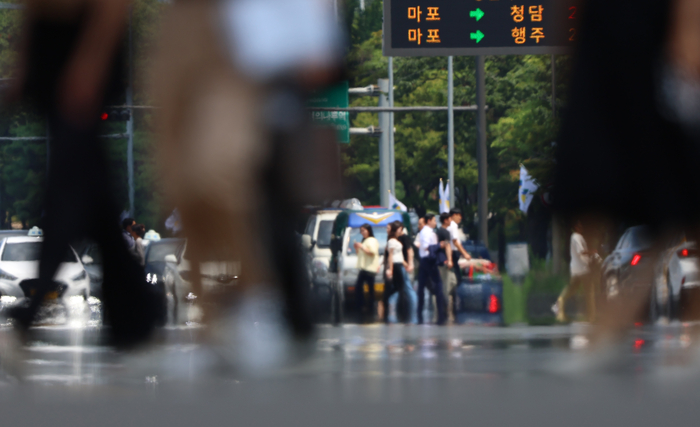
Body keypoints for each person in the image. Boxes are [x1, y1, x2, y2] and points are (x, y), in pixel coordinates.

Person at [5, 0, 163, 348]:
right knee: (95, 199)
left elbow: (112, 7)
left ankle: (29, 318)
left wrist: (91, 62)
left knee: (65, 191)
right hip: (53, 47)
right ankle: (136, 314)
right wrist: (25, 58)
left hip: (84, 43)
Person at [553, 220, 597, 323]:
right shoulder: (576, 237)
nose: (581, 227)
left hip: (578, 269)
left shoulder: (576, 237)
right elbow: (581, 251)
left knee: (571, 290)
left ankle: (559, 309)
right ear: (576, 227)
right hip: (582, 270)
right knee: (589, 293)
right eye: (579, 226)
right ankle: (592, 317)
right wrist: (592, 252)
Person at [384, 221, 418, 324]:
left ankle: (408, 313)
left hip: (399, 265)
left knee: (400, 288)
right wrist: (390, 268)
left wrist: (407, 264)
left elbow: (405, 253)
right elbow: (390, 255)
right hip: (397, 265)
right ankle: (394, 313)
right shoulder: (392, 240)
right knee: (399, 288)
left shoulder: (401, 239)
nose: (401, 231)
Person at [417, 214, 447, 325]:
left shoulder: (424, 232)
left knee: (421, 287)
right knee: (438, 284)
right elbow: (426, 247)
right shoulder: (427, 232)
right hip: (429, 261)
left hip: (424, 261)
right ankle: (441, 315)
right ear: (429, 221)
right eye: (434, 220)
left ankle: (419, 315)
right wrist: (439, 245)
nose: (435, 223)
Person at [353, 224, 380, 323]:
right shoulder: (364, 241)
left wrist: (362, 247)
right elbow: (360, 253)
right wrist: (357, 247)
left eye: (364, 230)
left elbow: (372, 252)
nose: (362, 233)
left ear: (369, 230)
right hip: (363, 267)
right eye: (361, 231)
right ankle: (363, 305)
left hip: (370, 268)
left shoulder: (372, 240)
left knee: (369, 288)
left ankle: (369, 306)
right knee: (360, 287)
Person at [437, 213, 457, 322]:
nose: (451, 221)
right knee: (446, 286)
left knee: (452, 282)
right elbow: (448, 246)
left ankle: (448, 308)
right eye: (450, 219)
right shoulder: (445, 232)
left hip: (440, 261)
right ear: (445, 220)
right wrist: (450, 260)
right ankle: (446, 311)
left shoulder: (438, 231)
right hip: (444, 262)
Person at [448, 208, 471, 281]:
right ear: (454, 215)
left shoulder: (449, 225)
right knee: (457, 276)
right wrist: (465, 253)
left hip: (451, 252)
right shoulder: (453, 225)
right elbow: (455, 242)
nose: (460, 217)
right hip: (453, 253)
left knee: (454, 274)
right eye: (459, 215)